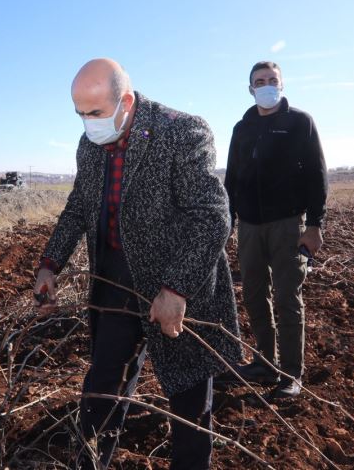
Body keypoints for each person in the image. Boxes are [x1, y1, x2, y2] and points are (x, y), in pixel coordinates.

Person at [33, 58, 241, 470]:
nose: (88, 123)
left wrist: (177, 289)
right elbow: (78, 207)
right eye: (80, 114)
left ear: (126, 101)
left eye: (95, 113)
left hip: (176, 284)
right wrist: (49, 263)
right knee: (103, 389)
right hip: (116, 283)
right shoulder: (89, 145)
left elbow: (213, 215)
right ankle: (90, 463)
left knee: (189, 403)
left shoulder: (180, 131)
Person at [222, 61, 328, 400]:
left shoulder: (300, 123)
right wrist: (228, 223)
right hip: (250, 227)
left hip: (287, 225)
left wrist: (314, 225)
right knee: (254, 295)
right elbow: (232, 181)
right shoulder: (242, 128)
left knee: (287, 297)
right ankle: (265, 364)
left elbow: (316, 176)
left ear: (282, 84)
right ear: (250, 88)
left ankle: (290, 375)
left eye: (272, 80)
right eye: (259, 81)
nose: (266, 85)